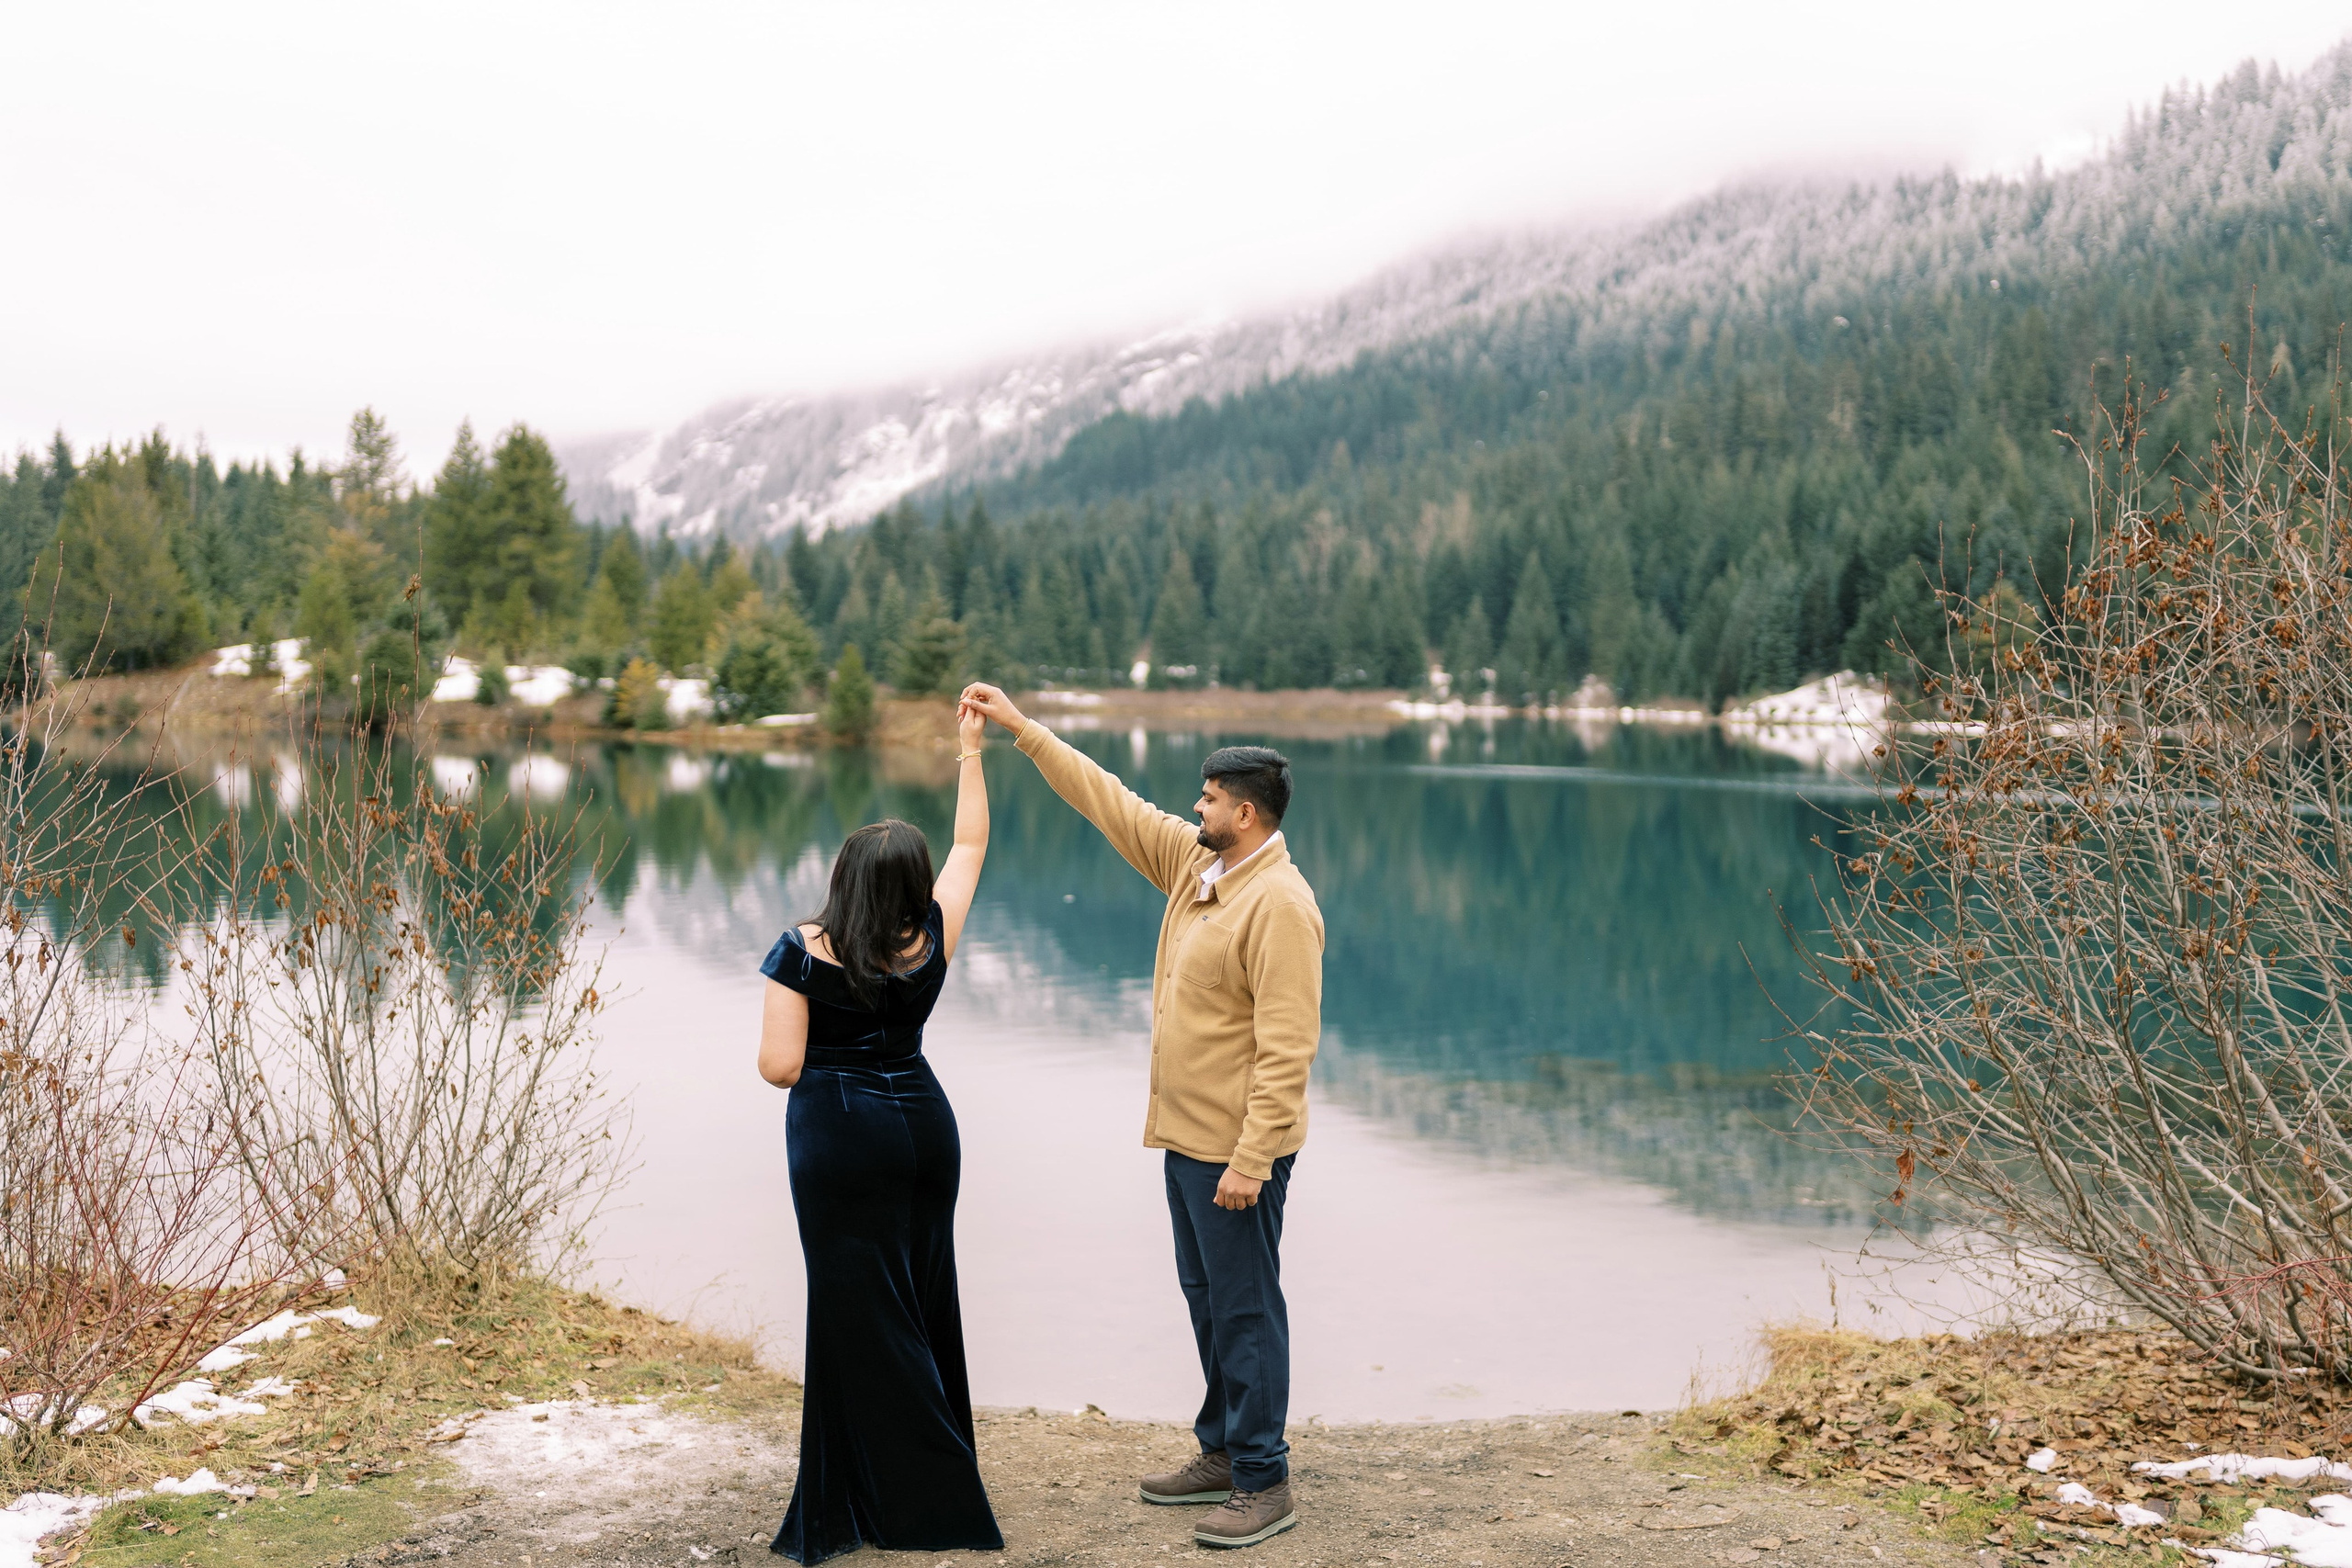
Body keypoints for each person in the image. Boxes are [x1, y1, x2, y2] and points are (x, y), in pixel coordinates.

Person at [959, 682, 1323, 1551]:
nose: (1192, 805)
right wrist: (1020, 729)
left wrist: (1252, 1159)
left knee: (1244, 1307)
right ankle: (1226, 1448)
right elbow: (1109, 801)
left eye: (1206, 798)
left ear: (1244, 810)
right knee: (1207, 1300)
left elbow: (1287, 1049)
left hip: (1236, 1155)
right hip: (1186, 1143)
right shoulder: (1198, 866)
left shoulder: (1279, 904)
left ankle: (1264, 1477)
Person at [755, 701, 1002, 1565]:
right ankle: (938, 1482)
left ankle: (872, 1498)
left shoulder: (800, 949)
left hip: (839, 1137)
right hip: (925, 1129)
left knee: (853, 1308)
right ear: (911, 884)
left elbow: (780, 1067)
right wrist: (971, 753)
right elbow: (970, 847)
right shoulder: (931, 934)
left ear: (845, 876)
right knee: (921, 1295)